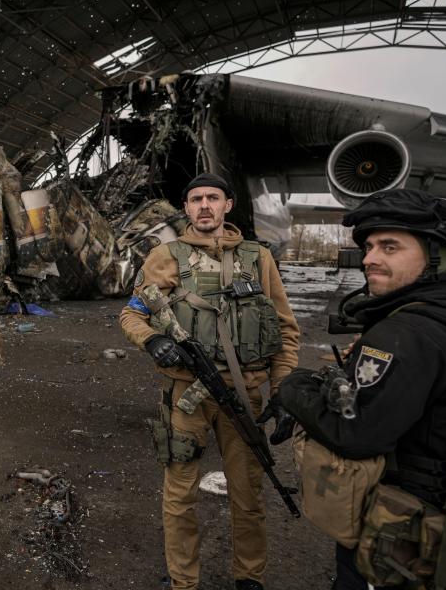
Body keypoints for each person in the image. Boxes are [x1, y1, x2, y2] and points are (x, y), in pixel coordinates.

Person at [279, 188, 446, 589]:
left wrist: (293, 387)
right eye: (370, 246)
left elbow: (354, 433)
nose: (370, 258)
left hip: (409, 545)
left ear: (442, 257)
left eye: (389, 247)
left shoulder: (406, 333)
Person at [120, 172, 300, 590]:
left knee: (248, 494)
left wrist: (283, 388)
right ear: (186, 208)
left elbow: (285, 330)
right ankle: (185, 581)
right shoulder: (166, 256)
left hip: (245, 392)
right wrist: (152, 341)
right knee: (180, 497)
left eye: (212, 198)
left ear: (227, 205)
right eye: (196, 199)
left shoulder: (259, 258)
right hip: (187, 395)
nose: (204, 205)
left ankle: (249, 577)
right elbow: (132, 313)